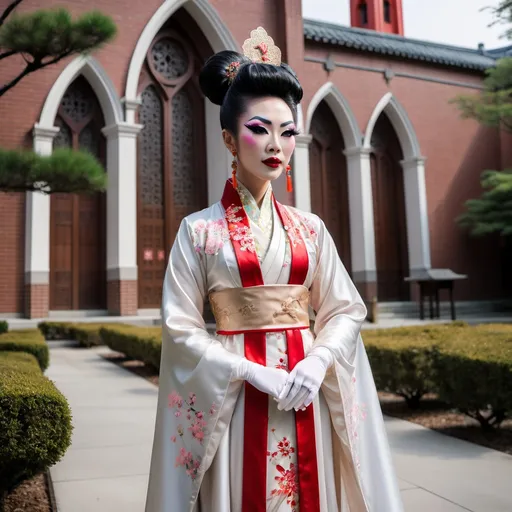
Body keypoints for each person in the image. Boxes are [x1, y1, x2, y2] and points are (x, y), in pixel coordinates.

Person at [145, 27, 403, 512]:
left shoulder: (310, 228)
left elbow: (346, 309)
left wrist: (318, 360)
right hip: (237, 397)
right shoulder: (197, 231)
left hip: (306, 390)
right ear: (229, 136)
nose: (275, 144)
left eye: (287, 132)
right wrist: (247, 370)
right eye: (259, 129)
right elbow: (179, 327)